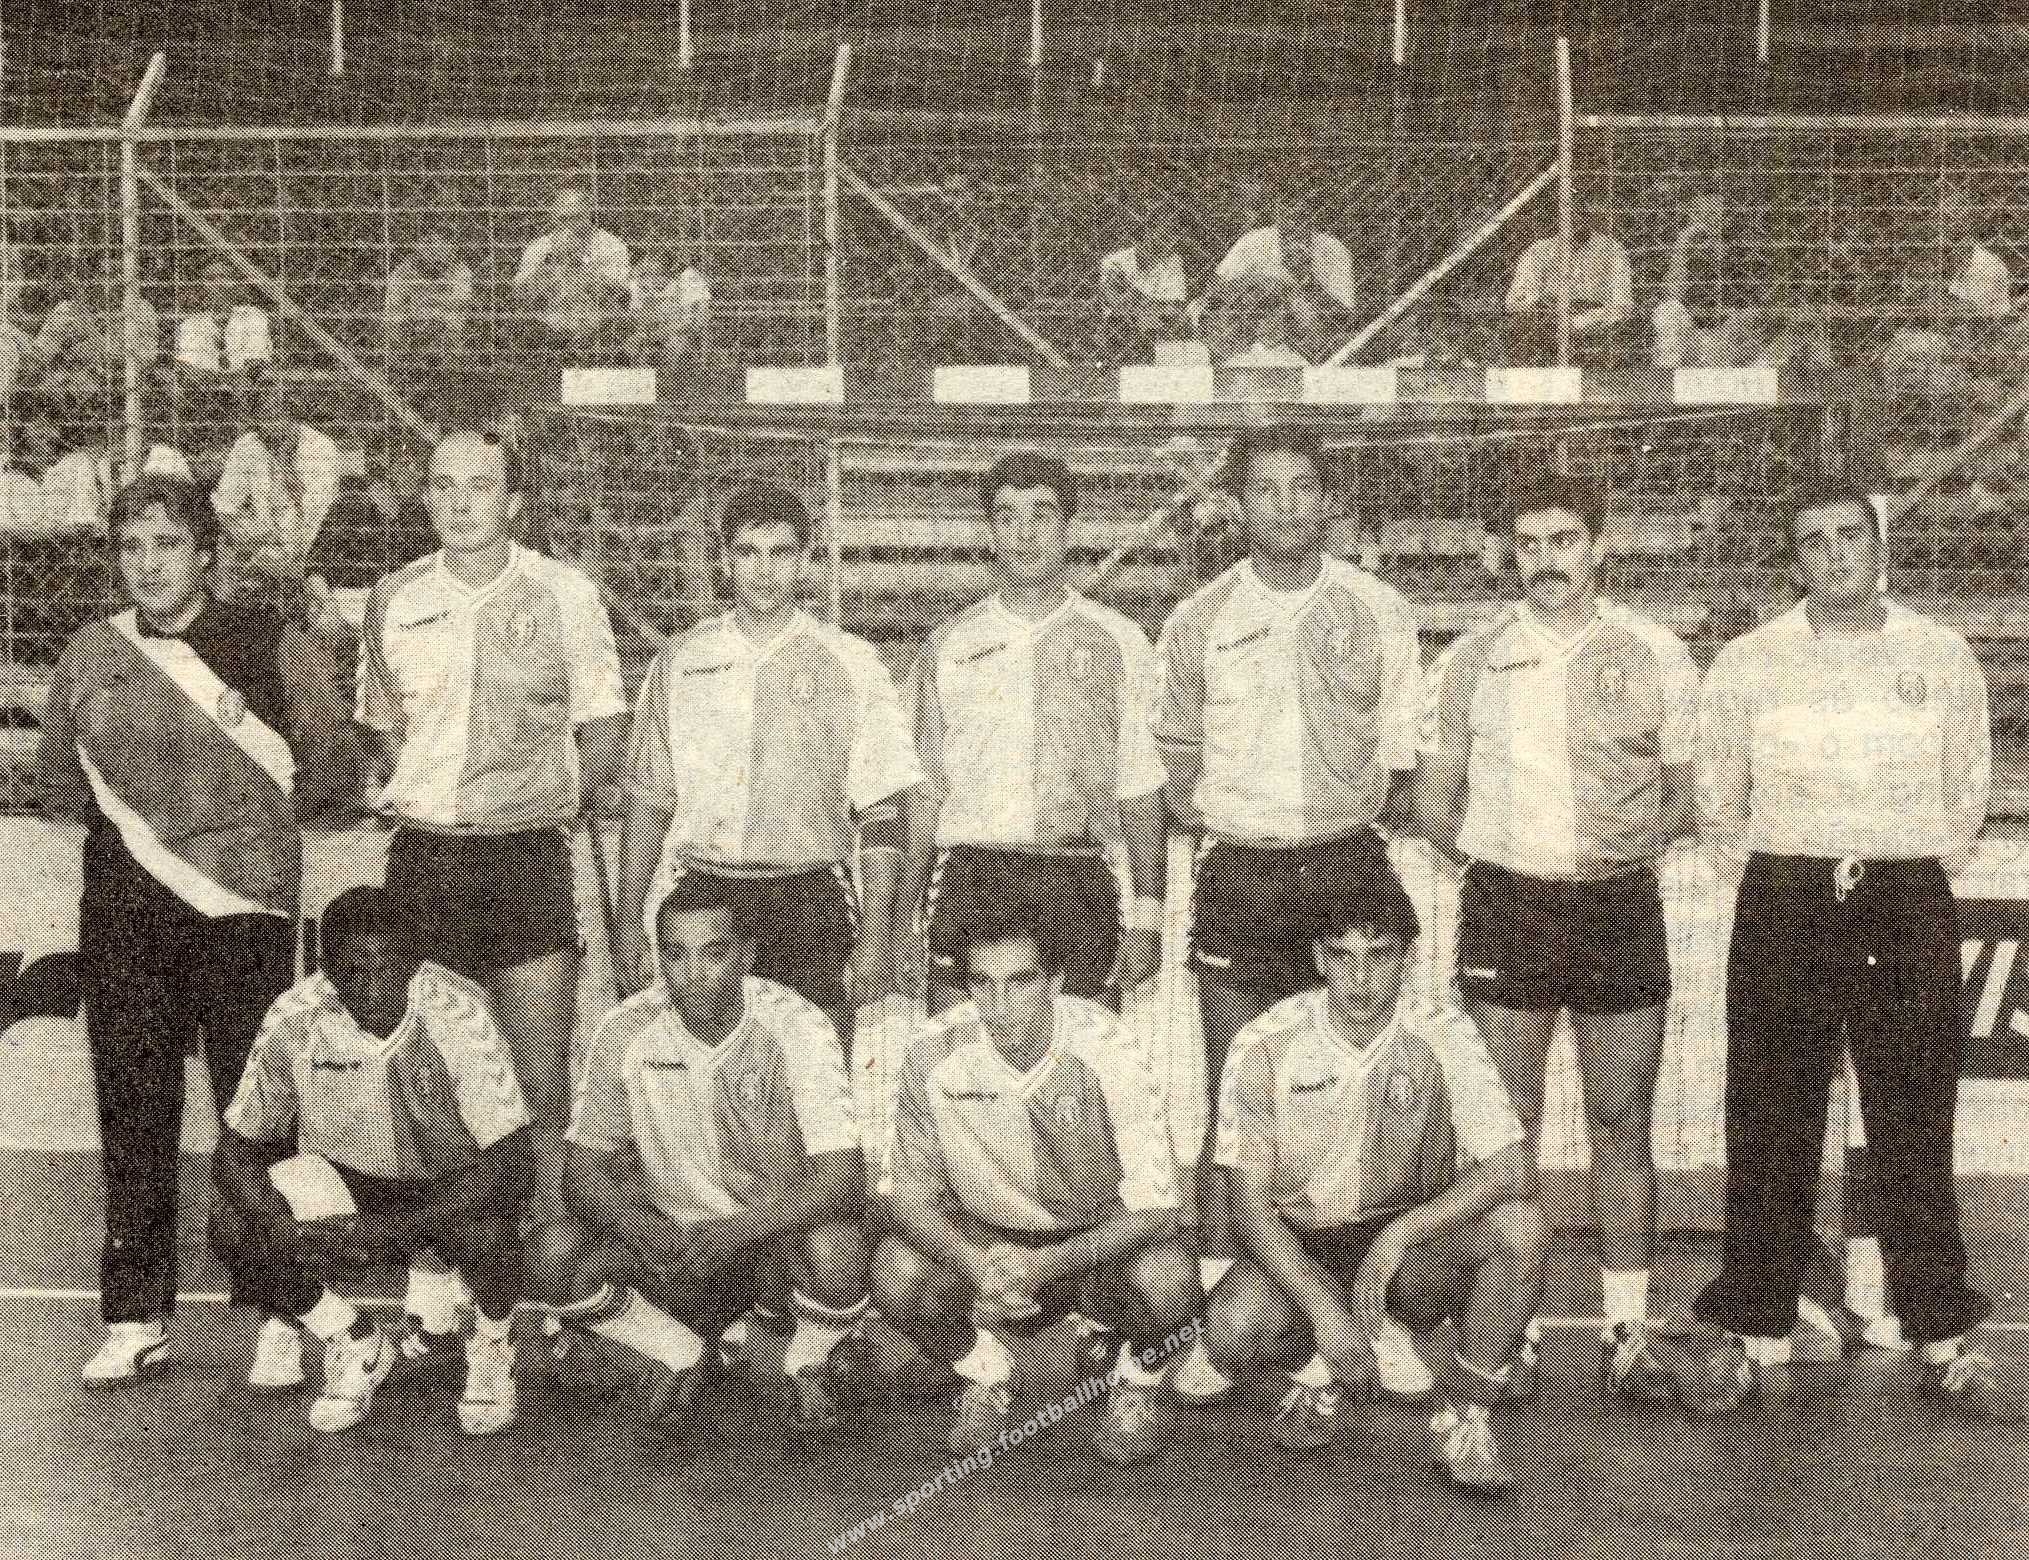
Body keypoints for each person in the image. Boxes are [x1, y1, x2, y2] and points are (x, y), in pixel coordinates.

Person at [1685, 481, 2020, 1420]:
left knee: (1914, 1124)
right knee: (1769, 1122)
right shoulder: (1751, 660)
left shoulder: (1938, 653)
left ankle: (1941, 1339)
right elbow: (1718, 799)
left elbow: (1966, 789)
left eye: (1847, 536)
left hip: (1903, 897)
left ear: (1877, 547)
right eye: (1812, 540)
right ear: (1792, 559)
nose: (1832, 554)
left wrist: (1892, 859)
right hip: (1784, 894)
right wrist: (1791, 864)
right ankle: (1752, 1335)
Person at [37, 476, 362, 1383]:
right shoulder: (90, 652)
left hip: (244, 914)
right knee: (133, 1111)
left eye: (168, 543)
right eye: (131, 546)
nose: (148, 564)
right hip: (125, 913)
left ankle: (281, 1310)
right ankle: (134, 1314)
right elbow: (58, 783)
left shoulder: (271, 641)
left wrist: (243, 838)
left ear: (206, 554)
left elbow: (334, 768)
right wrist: (148, 842)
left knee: (254, 1119)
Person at [1150, 425, 1424, 1400]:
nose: (1284, 505)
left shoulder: (1378, 609)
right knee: (1237, 1101)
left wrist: (1330, 821)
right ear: (1237, 506)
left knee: (1362, 1098)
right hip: (1241, 875)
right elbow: (1174, 765)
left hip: (1348, 866)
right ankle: (1222, 1318)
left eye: (1301, 487)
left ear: (1327, 500)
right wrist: (1250, 819)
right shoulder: (1198, 618)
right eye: (1264, 490)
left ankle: (1372, 1313)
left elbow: (1402, 763)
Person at [1414, 477, 1699, 1399]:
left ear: (1598, 546)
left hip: (1618, 905)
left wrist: (1617, 849)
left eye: (1564, 539)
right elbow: (1432, 802)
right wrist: (1505, 861)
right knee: (1510, 1129)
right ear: (1508, 553)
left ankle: (1626, 1333)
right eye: (1528, 542)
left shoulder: (1655, 652)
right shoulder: (1470, 658)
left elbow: (1685, 794)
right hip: (1508, 906)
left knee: (1622, 1120)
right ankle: (1517, 1329)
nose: (1546, 559)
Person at [357, 423, 628, 1235]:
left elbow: (604, 728)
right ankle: (443, 1273)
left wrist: (544, 800)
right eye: (443, 485)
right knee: (432, 1078)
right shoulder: (394, 596)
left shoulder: (564, 594)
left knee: (537, 1083)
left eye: (480, 486)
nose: (460, 503)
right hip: (425, 859)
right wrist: (424, 786)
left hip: (526, 859)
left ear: (512, 502)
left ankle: (544, 1260)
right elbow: (382, 729)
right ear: (424, 496)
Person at [1204, 869, 1544, 1490]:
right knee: (1233, 1329)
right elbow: (1244, 1193)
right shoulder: (1265, 1039)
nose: (1361, 974)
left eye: (1381, 954)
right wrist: (1320, 1300)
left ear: (1408, 958)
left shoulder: (1441, 1029)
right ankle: (1322, 1369)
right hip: (1301, 1241)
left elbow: (1509, 1165)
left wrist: (1397, 1243)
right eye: (1343, 954)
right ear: (1318, 959)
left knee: (1518, 1232)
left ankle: (1464, 1405)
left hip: (1407, 1236)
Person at [530, 872, 869, 1435]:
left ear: (745, 954)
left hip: (772, 1242)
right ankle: (683, 1351)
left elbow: (840, 1176)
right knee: (553, 1248)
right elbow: (589, 1169)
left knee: (841, 1250)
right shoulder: (622, 1028)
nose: (691, 973)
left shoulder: (797, 1024)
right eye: (675, 955)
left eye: (711, 953)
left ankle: (793, 1353)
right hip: (668, 1246)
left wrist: (735, 1233)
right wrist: (659, 1234)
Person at [869, 900, 1200, 1465]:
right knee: (899, 1274)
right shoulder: (931, 1054)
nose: (1001, 1004)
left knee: (1168, 1277)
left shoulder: (1107, 1047)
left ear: (1053, 983)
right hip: (987, 1247)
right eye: (984, 985)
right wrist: (976, 1263)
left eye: (1019, 983)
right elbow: (909, 1197)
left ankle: (1134, 1369)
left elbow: (1164, 1209)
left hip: (1097, 1243)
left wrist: (1046, 1265)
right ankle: (987, 1362)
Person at [208, 886, 532, 1435]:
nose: (368, 985)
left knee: (499, 1213)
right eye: (350, 970)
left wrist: (408, 1232)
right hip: (350, 1181)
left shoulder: (456, 1010)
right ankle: (352, 1334)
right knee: (234, 1218)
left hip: (447, 1184)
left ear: (412, 961)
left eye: (383, 966)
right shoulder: (296, 1016)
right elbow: (238, 1146)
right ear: (328, 970)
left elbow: (509, 1154)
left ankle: (489, 1338)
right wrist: (276, 1215)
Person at [613, 482, 919, 1044]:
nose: (764, 570)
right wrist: (630, 926)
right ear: (725, 562)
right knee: (707, 1073)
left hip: (806, 895)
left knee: (810, 1073)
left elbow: (883, 814)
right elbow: (648, 806)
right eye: (748, 553)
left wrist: (879, 940)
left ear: (804, 561)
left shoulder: (852, 660)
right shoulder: (680, 660)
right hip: (703, 897)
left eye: (781, 553)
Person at [899, 452, 1165, 1014]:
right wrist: (905, 919)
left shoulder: (1119, 640)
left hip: (1077, 874)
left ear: (1068, 528)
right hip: (972, 873)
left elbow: (1141, 791)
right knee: (963, 1054)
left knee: (1081, 1054)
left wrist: (1145, 919)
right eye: (1008, 517)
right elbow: (923, 794)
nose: (1025, 533)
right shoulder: (949, 643)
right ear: (989, 532)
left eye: (1042, 515)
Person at [211, 377, 341, 602]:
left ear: (293, 415)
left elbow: (317, 526)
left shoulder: (321, 450)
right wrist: (251, 541)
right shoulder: (248, 445)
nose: (267, 430)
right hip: (262, 557)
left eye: (275, 417)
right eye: (261, 420)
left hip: (312, 563)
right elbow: (224, 511)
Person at [1210, 193, 1355, 356]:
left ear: (1314, 213)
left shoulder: (1333, 250)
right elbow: (1213, 292)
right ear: (1276, 209)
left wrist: (1306, 281)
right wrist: (1262, 284)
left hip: (1310, 346)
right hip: (1250, 345)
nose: (1294, 217)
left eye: (1301, 212)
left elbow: (1344, 319)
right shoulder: (1253, 242)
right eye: (1287, 205)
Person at [1503, 200, 1636, 366]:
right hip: (1547, 321)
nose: (1575, 219)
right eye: (1569, 213)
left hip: (1593, 324)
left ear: (1589, 216)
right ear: (1558, 218)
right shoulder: (1540, 250)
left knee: (1616, 331)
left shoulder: (1610, 250)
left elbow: (1623, 305)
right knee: (1522, 325)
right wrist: (1543, 309)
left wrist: (1579, 321)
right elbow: (1514, 301)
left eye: (1580, 213)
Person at [512, 184, 631, 356]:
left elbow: (619, 299)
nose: (569, 225)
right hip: (547, 337)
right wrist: (550, 262)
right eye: (563, 219)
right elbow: (521, 299)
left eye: (575, 217)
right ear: (553, 217)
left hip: (598, 336)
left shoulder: (611, 246)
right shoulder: (538, 247)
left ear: (588, 213)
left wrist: (581, 262)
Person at [1098, 210, 1192, 360]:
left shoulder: (1173, 261)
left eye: (1173, 236)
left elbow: (1175, 307)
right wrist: (1151, 306)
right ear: (1148, 232)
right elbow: (1114, 302)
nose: (1170, 242)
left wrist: (1135, 298)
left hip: (1158, 333)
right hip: (1119, 333)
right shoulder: (1115, 261)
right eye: (1164, 235)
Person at [174, 258, 274, 378]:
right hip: (205, 388)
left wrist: (211, 377)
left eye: (223, 277)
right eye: (210, 278)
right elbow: (187, 368)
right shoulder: (191, 323)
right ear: (204, 285)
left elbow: (255, 365)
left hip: (246, 387)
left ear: (234, 282)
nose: (218, 284)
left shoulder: (254, 317)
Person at [384, 231, 476, 358]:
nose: (437, 269)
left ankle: (449, 355)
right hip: (412, 335)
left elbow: (463, 303)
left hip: (448, 333)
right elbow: (393, 318)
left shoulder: (460, 270)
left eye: (440, 263)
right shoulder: (401, 274)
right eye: (428, 241)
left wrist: (432, 301)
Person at [623, 240, 712, 371]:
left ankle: (670, 376)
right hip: (656, 328)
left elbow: (691, 322)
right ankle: (641, 377)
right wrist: (642, 333)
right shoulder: (640, 277)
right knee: (633, 347)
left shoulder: (690, 278)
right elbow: (638, 314)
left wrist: (649, 336)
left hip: (684, 333)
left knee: (673, 344)